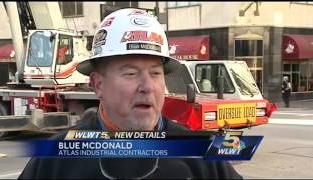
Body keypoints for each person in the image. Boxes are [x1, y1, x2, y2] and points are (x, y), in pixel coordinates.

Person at [19, 8, 242, 179]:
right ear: (98, 85)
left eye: (155, 73)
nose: (147, 86)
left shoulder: (204, 149)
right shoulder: (54, 158)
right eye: (131, 73)